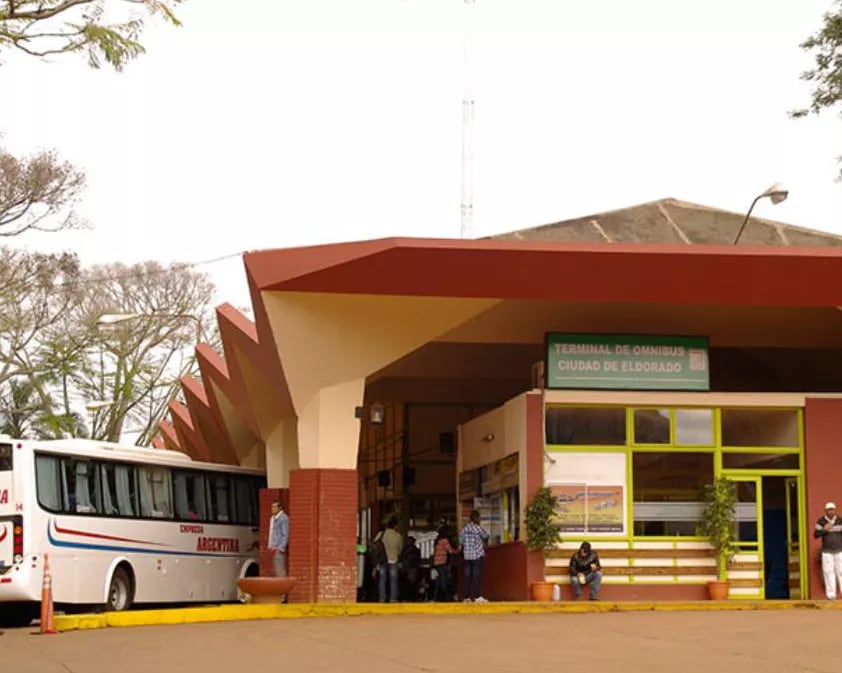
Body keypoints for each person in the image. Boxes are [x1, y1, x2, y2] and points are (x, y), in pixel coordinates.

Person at [460, 510, 489, 603]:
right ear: (477, 518)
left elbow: (461, 540)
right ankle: (477, 596)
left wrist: (463, 545)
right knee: (477, 576)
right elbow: (486, 537)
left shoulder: (465, 529)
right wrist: (484, 542)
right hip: (477, 555)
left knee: (467, 577)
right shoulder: (478, 528)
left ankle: (466, 597)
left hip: (467, 556)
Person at [814, 501, 842, 599]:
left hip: (839, 550)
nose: (831, 511)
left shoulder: (840, 520)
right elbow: (816, 535)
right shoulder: (821, 521)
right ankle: (831, 595)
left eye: (832, 509)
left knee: (841, 571)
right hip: (827, 551)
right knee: (828, 571)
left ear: (835, 510)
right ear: (825, 511)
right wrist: (824, 529)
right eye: (829, 510)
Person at [432, 526, 459, 602]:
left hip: (437, 562)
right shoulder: (445, 541)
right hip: (442, 562)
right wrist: (458, 551)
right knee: (444, 579)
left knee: (441, 578)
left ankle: (439, 596)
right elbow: (450, 551)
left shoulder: (437, 540)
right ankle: (444, 596)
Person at [379, 518, 403, 603]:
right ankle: (393, 598)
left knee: (382, 579)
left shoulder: (381, 534)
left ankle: (382, 598)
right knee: (393, 580)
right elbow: (400, 549)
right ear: (395, 526)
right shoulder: (398, 536)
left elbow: (375, 544)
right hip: (394, 559)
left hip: (383, 559)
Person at [268, 500, 289, 578]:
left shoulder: (283, 518)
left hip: (278, 548)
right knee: (277, 570)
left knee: (280, 571)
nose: (272, 509)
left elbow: (285, 534)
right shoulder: (273, 518)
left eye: (274, 507)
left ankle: (284, 589)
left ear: (280, 508)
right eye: (272, 507)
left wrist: (280, 548)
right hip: (274, 548)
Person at [399, 536, 422, 601]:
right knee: (409, 584)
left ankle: (409, 597)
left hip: (411, 569)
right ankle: (410, 597)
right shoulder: (413, 550)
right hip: (409, 569)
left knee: (409, 584)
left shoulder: (413, 550)